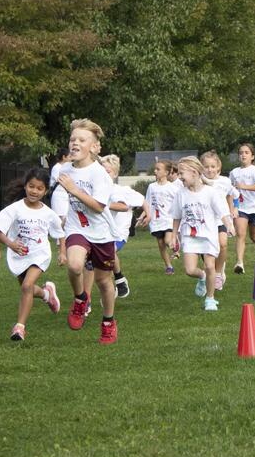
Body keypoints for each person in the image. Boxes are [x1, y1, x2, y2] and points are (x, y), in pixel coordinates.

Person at [56, 118, 119, 344]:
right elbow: (60, 196)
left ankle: (108, 322)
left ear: (93, 147)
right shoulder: (64, 169)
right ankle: (80, 298)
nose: (75, 143)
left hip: (101, 233)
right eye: (72, 139)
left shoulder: (99, 174)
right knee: (74, 265)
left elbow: (99, 206)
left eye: (81, 140)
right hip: (77, 228)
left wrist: (74, 190)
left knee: (103, 281)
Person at [0, 168, 64, 342]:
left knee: (26, 286)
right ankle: (47, 294)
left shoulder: (48, 213)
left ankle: (19, 328)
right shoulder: (14, 209)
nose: (34, 191)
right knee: (28, 289)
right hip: (19, 255)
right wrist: (11, 244)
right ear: (25, 186)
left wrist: (62, 252)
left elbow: (60, 233)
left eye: (39, 188)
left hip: (40, 254)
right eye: (31, 186)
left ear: (45, 191)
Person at [170, 156, 236, 311]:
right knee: (189, 270)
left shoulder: (210, 192)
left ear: (193, 172)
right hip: (189, 236)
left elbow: (222, 212)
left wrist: (229, 225)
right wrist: (174, 235)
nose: (179, 177)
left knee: (210, 266)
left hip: (208, 235)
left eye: (181, 173)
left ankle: (210, 299)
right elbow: (176, 216)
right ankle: (202, 277)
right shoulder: (181, 194)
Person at [100, 154, 144, 298]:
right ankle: (118, 281)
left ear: (115, 174)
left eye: (108, 172)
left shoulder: (120, 190)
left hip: (119, 233)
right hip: (101, 232)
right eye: (101, 171)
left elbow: (140, 201)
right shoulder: (96, 190)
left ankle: (114, 286)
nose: (104, 175)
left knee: (107, 254)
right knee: (100, 260)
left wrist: (148, 214)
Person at [200, 150, 236, 289]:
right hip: (205, 221)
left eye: (212, 166)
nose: (210, 170)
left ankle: (219, 273)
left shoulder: (225, 181)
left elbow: (232, 194)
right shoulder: (199, 182)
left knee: (223, 244)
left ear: (218, 167)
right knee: (208, 251)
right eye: (206, 167)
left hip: (221, 219)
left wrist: (233, 208)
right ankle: (211, 272)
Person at [229, 143, 255, 273]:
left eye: (246, 152)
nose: (243, 155)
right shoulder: (234, 172)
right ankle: (240, 263)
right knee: (240, 234)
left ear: (252, 156)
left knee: (253, 236)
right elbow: (230, 190)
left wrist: (244, 186)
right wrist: (232, 207)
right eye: (241, 153)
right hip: (241, 208)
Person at [138, 160, 179, 274]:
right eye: (155, 169)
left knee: (167, 240)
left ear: (166, 172)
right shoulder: (151, 187)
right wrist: (143, 216)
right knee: (161, 244)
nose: (155, 171)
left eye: (158, 169)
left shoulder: (173, 188)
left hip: (169, 219)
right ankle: (169, 266)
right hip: (156, 221)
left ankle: (175, 244)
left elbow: (179, 204)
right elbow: (147, 203)